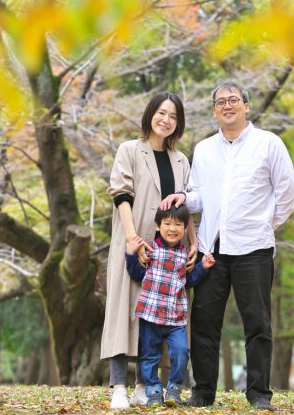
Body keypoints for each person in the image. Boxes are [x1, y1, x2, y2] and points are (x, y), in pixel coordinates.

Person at [161, 81, 294, 411]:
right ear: (214, 111)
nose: (227, 105)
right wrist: (184, 198)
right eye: (220, 102)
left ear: (246, 106)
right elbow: (197, 196)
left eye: (233, 100)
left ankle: (259, 394)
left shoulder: (269, 144)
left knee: (258, 323)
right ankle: (203, 391)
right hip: (211, 250)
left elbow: (287, 195)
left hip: (254, 248)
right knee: (205, 322)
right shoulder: (205, 149)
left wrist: (264, 226)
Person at [101, 91, 198, 410]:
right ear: (150, 114)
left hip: (168, 254)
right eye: (161, 113)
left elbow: (184, 208)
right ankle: (118, 387)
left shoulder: (181, 160)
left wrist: (193, 241)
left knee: (156, 318)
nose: (166, 120)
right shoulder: (130, 149)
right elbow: (121, 194)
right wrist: (132, 238)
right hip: (134, 244)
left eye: (173, 116)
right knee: (122, 313)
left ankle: (144, 385)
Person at [125, 205, 215, 407]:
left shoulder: (185, 255)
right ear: (158, 226)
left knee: (182, 351)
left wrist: (203, 267)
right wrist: (131, 254)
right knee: (149, 356)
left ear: (184, 229)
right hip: (150, 316)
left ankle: (174, 388)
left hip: (176, 318)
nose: (172, 228)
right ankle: (154, 391)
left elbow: (189, 281)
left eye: (178, 224)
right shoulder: (150, 250)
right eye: (167, 223)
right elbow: (137, 274)